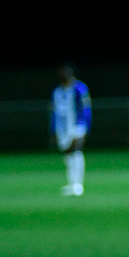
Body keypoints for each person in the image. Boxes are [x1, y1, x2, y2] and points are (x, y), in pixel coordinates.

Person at [51, 64, 90, 196]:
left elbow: (85, 109)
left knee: (76, 152)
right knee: (68, 156)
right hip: (62, 129)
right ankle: (71, 183)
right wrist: (54, 130)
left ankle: (78, 184)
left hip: (77, 126)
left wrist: (84, 127)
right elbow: (55, 112)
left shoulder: (79, 89)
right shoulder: (57, 91)